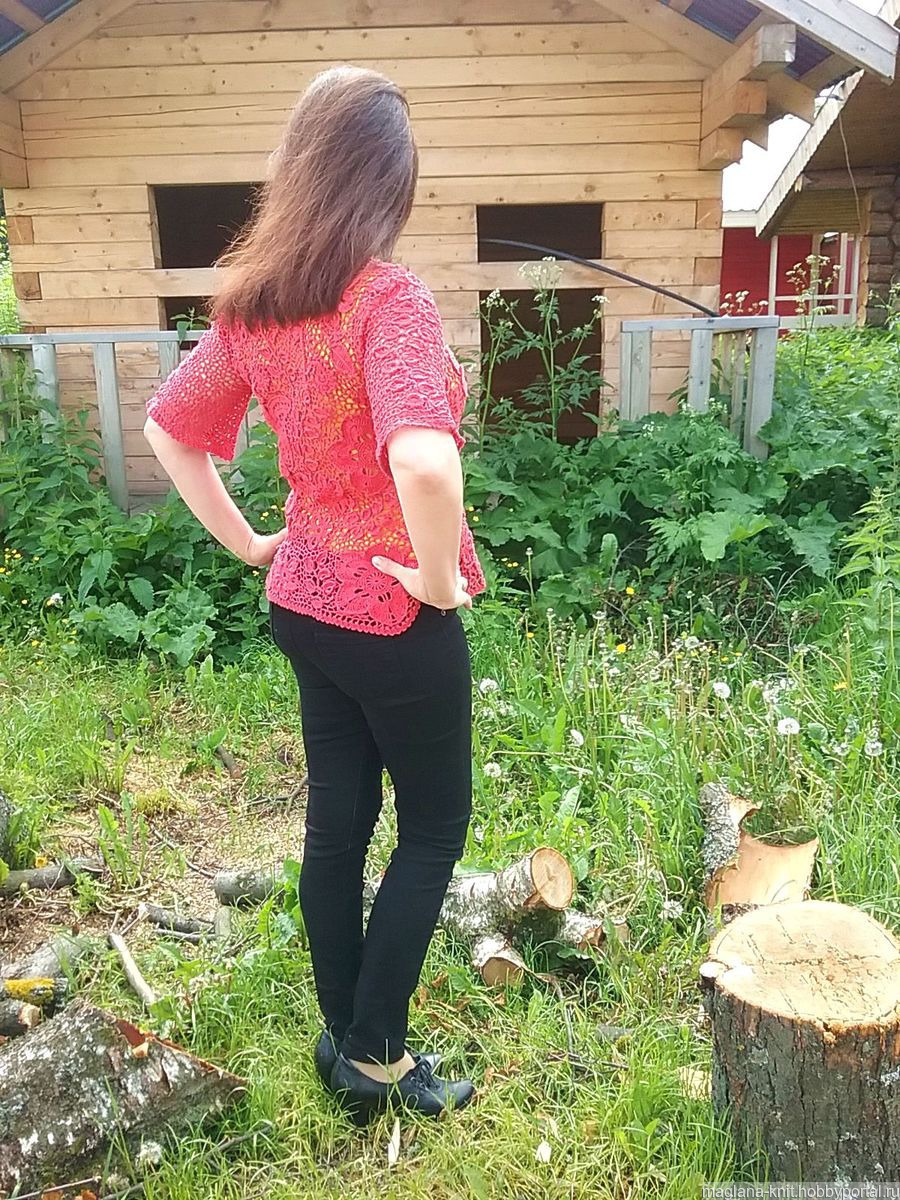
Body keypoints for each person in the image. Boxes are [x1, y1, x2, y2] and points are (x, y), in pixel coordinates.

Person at [143, 65, 486, 1126]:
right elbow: (424, 460)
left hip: (302, 603)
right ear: (387, 184)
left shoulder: (257, 307)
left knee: (338, 821)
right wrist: (438, 578)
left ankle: (345, 1039)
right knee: (434, 828)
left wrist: (252, 542)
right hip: (392, 613)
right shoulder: (386, 299)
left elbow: (168, 430)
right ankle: (375, 1057)